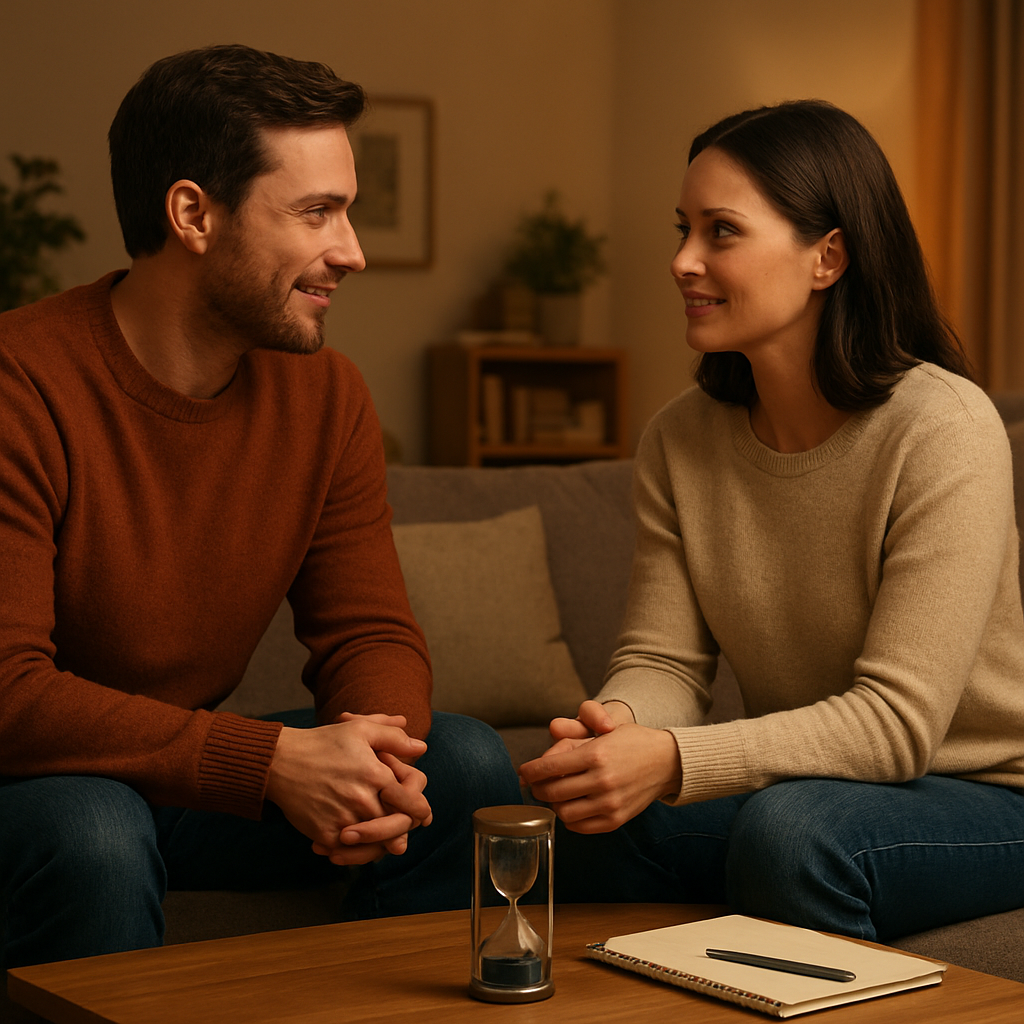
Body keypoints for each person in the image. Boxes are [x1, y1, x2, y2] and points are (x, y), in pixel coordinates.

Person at [0, 44, 520, 972]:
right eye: (318, 212)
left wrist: (377, 762)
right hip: (34, 785)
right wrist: (272, 762)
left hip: (178, 776)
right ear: (194, 214)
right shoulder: (22, 384)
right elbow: (9, 693)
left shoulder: (328, 398)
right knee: (94, 825)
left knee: (466, 763)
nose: (353, 252)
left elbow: (369, 634)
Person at [520, 100, 1024, 943]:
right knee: (573, 825)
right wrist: (618, 729)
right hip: (816, 781)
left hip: (988, 793)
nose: (682, 261)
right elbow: (664, 660)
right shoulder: (682, 437)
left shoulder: (943, 428)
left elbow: (899, 726)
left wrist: (677, 760)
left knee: (791, 835)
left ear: (827, 256)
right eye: (683, 229)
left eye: (721, 232)